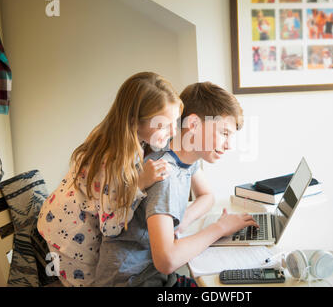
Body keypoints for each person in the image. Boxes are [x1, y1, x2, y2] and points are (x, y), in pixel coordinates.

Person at [94, 82, 259, 287]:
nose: (229, 144)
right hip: (132, 281)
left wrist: (180, 223)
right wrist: (220, 228)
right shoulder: (164, 173)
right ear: (194, 124)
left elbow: (207, 195)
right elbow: (167, 260)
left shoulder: (186, 157)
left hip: (149, 275)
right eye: (224, 133)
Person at [37, 72, 183, 287]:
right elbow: (111, 227)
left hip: (61, 218)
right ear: (135, 122)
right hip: (68, 238)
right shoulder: (114, 159)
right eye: (162, 125)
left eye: (174, 122)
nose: (172, 131)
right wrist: (140, 183)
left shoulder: (120, 135)